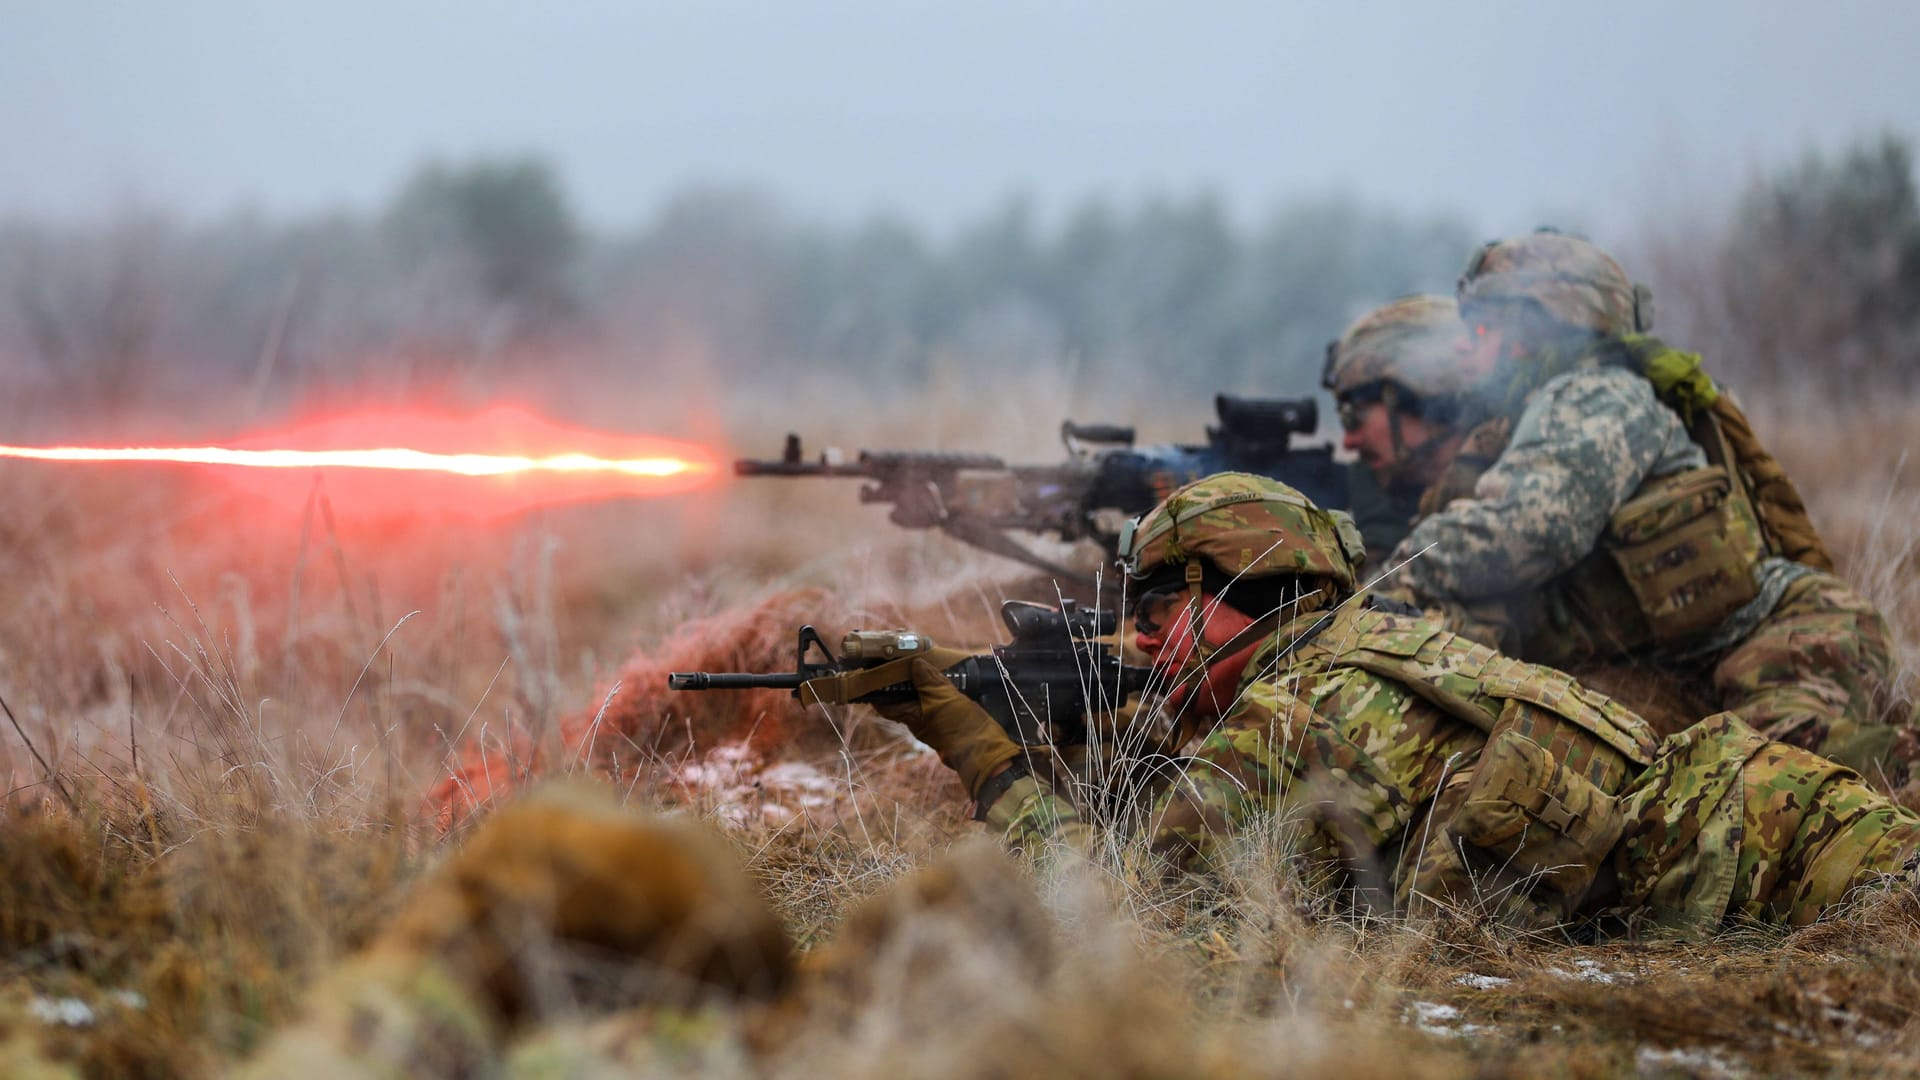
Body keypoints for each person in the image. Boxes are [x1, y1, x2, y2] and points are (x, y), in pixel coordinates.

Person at [876, 472, 1920, 937]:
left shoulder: (1301, 718)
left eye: (1157, 603)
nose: (1140, 631)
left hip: (1803, 878)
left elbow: (1126, 921)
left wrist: (980, 752)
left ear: (1229, 594)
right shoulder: (1370, 649)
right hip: (1790, 821)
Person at [1347, 233, 1916, 789]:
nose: (1465, 347)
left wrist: (1385, 584)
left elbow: (1528, 528)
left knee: (1788, 797)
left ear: (1531, 329)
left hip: (1784, 642)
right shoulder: (1530, 419)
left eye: (1480, 328)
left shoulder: (1600, 396)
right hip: (1686, 670)